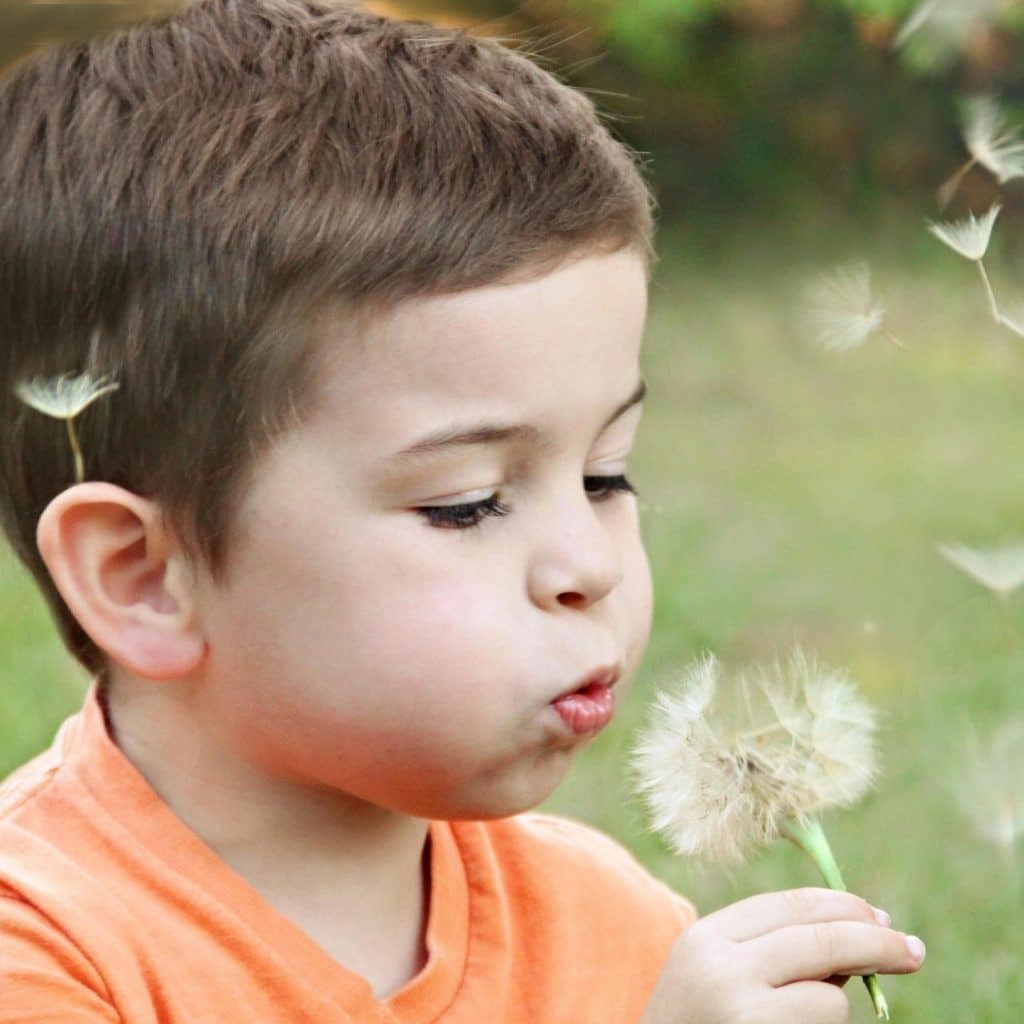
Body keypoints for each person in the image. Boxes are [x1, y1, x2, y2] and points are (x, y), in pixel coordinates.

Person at [0, 1, 924, 1020]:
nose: (590, 562)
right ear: (143, 576)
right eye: (467, 504)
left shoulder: (610, 923)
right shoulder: (43, 948)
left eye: (606, 475)